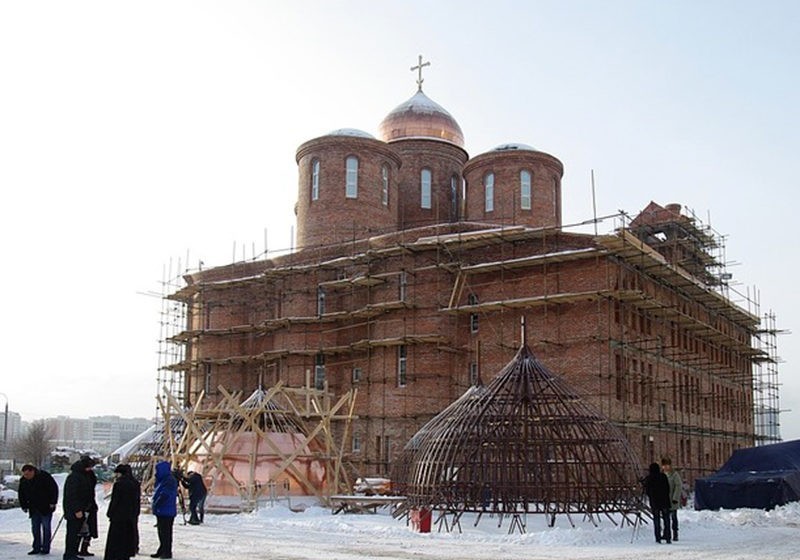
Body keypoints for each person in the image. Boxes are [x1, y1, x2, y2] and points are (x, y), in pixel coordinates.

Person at [19, 464, 59, 555]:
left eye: (28, 474)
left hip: (46, 507)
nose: (26, 477)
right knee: (35, 528)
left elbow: (54, 489)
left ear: (32, 471)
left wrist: (53, 502)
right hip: (33, 508)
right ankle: (36, 547)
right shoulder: (24, 480)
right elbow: (21, 493)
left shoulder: (44, 476)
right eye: (25, 475)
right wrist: (24, 505)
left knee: (46, 527)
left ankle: (45, 548)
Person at [104, 464, 141, 560]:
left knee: (116, 540)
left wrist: (110, 513)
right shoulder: (135, 483)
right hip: (130, 516)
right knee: (127, 539)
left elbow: (115, 501)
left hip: (118, 517)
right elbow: (137, 500)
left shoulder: (119, 484)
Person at [62, 456, 96, 560]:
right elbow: (71, 495)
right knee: (73, 533)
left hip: (85, 508)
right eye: (89, 467)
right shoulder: (74, 477)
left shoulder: (86, 475)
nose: (91, 469)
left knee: (79, 532)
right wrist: (77, 510)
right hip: (75, 510)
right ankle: (69, 554)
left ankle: (74, 553)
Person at [150, 460, 178, 559]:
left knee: (165, 533)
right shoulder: (164, 479)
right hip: (162, 510)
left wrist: (157, 503)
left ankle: (166, 552)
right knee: (162, 533)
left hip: (166, 510)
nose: (156, 472)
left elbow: (165, 494)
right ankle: (162, 550)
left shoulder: (169, 480)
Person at [643, 462, 672, 544]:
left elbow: (647, 491)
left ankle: (658, 538)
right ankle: (668, 537)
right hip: (664, 501)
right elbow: (667, 488)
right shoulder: (663, 476)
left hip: (655, 502)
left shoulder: (649, 478)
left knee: (656, 520)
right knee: (666, 519)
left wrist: (652, 497)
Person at [77, 456, 98, 557]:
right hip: (82, 506)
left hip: (90, 505)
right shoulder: (79, 476)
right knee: (81, 529)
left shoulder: (90, 475)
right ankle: (77, 548)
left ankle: (84, 548)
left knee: (88, 529)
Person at [661, 457, 683, 542]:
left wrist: (675, 498)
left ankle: (675, 533)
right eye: (664, 465)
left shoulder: (674, 475)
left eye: (667, 465)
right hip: (665, 499)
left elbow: (678, 486)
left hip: (672, 500)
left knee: (673, 517)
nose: (665, 467)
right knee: (665, 518)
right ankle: (666, 533)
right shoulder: (662, 474)